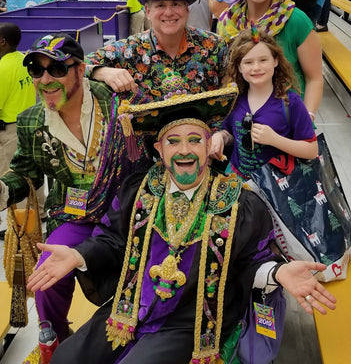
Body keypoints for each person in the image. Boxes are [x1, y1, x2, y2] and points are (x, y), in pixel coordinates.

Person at [27, 85, 336, 364]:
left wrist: (278, 272)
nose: (185, 150)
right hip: (131, 307)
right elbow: (112, 240)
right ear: (159, 150)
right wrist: (79, 256)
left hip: (192, 319)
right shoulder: (139, 190)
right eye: (173, 142)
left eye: (194, 140)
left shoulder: (240, 203)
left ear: (209, 146)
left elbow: (250, 262)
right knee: (68, 358)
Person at [0, 33, 117, 358]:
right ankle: (55, 339)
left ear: (80, 70)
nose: (46, 79)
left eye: (56, 69)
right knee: (46, 274)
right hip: (72, 214)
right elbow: (25, 173)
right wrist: (3, 189)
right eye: (37, 71)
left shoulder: (117, 103)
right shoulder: (31, 122)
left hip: (125, 213)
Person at [216, 0, 323, 118]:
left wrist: (307, 119)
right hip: (242, 123)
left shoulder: (296, 20)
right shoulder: (227, 22)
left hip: (287, 123)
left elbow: (314, 78)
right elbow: (227, 76)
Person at [84, 0, 228, 98]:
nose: (169, 12)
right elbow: (75, 65)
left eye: (176, 4)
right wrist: (102, 71)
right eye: (160, 5)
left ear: (187, 10)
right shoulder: (129, 50)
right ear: (148, 11)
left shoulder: (215, 47)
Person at [211, 27, 317, 180]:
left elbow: (312, 150)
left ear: (275, 61)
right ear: (239, 67)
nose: (256, 68)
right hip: (237, 181)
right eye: (248, 62)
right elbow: (231, 133)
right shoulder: (235, 98)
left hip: (273, 188)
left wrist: (275, 139)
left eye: (263, 60)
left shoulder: (290, 102)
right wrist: (220, 136)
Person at [0, 23, 37, 235]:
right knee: (34, 174)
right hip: (30, 124)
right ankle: (38, 213)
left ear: (3, 41)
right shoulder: (25, 60)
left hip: (11, 130)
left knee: (12, 175)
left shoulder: (3, 67)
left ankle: (21, 228)